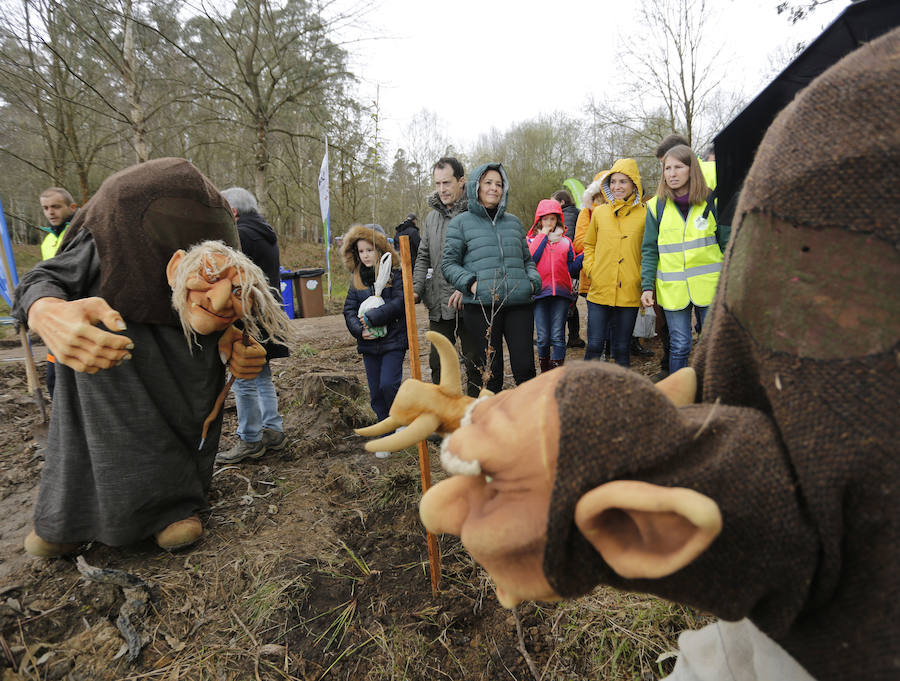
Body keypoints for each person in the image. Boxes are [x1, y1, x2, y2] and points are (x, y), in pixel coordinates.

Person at [414, 28, 900, 681]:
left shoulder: (673, 209)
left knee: (636, 357)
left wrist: (625, 436)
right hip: (648, 312)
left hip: (817, 640)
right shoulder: (840, 107)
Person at [12, 158, 289, 557]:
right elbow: (43, 278)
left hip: (183, 376)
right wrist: (46, 310)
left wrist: (234, 339)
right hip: (110, 371)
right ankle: (69, 521)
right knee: (94, 440)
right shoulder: (113, 230)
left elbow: (229, 301)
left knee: (176, 436)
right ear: (179, 262)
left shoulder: (219, 251)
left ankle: (171, 510)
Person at [441, 163, 542, 393]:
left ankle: (530, 422)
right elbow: (448, 265)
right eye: (488, 182)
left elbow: (527, 261)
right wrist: (471, 284)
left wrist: (532, 283)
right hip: (482, 307)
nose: (494, 188)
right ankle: (493, 424)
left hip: (519, 304)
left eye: (499, 184)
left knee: (525, 368)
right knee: (491, 372)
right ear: (476, 186)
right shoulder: (461, 223)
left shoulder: (514, 222)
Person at [215, 187, 290, 465]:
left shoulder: (241, 235)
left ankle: (250, 438)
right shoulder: (263, 231)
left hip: (248, 317)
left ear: (232, 211)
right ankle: (272, 429)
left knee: (244, 379)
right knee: (261, 376)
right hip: (266, 317)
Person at [640, 145, 729, 373]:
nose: (672, 173)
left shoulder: (712, 201)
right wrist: (647, 287)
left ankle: (710, 390)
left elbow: (727, 244)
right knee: (679, 345)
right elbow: (649, 250)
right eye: (667, 168)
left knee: (712, 345)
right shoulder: (655, 207)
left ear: (692, 170)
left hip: (710, 287)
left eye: (678, 167)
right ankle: (680, 397)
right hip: (673, 289)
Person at [413, 158, 480, 397]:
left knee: (475, 362)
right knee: (438, 363)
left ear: (461, 181)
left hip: (470, 302)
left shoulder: (476, 213)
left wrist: (466, 286)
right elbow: (423, 257)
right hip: (439, 304)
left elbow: (483, 256)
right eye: (437, 183)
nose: (441, 189)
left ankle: (475, 419)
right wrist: (416, 288)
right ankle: (444, 421)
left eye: (447, 182)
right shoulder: (431, 219)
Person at [342, 224, 407, 457]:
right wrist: (360, 330)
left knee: (388, 384)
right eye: (361, 251)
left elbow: (400, 303)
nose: (366, 255)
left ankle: (399, 419)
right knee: (376, 391)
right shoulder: (357, 278)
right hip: (369, 345)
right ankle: (386, 432)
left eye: (370, 250)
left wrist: (372, 318)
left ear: (380, 249)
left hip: (393, 341)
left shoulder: (394, 274)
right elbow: (349, 309)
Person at [582, 158, 646, 367]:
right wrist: (592, 270)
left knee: (621, 348)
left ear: (634, 184)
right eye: (613, 182)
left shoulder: (646, 215)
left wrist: (639, 277)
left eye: (623, 182)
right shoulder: (599, 213)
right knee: (594, 345)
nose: (617, 187)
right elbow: (588, 245)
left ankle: (620, 393)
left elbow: (649, 251)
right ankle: (585, 390)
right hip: (599, 290)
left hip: (629, 291)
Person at [526, 199, 581, 371]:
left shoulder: (565, 242)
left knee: (558, 336)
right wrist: (543, 234)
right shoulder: (530, 240)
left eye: (552, 219)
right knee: (542, 337)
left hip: (562, 295)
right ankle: (545, 372)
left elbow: (570, 267)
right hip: (540, 294)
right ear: (539, 220)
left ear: (558, 219)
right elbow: (532, 258)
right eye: (545, 219)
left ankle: (556, 375)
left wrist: (585, 256)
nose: (549, 223)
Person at [37, 187, 78, 397]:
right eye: (46, 208)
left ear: (72, 207)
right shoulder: (48, 241)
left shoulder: (80, 233)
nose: (50, 212)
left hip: (77, 311)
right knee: (53, 378)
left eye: (56, 206)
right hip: (56, 314)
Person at [551, 189, 584, 349]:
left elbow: (566, 238)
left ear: (562, 202)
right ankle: (573, 337)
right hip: (574, 267)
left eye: (554, 201)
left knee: (566, 303)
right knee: (570, 303)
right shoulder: (574, 212)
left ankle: (562, 338)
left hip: (568, 266)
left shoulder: (568, 215)